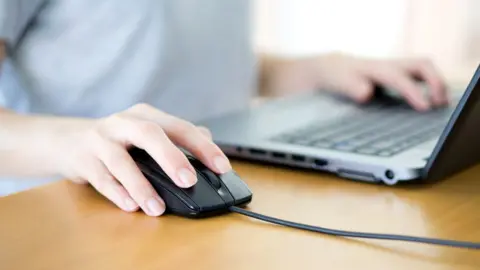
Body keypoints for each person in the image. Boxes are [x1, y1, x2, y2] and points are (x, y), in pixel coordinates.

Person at [0, 1, 448, 217]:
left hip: (221, 194)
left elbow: (205, 64)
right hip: (71, 216)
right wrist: (74, 141)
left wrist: (320, 69)